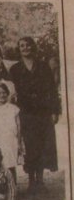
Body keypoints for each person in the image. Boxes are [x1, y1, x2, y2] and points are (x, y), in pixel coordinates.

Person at [10, 36, 60, 192]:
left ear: (33, 47)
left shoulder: (43, 66)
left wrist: (54, 111)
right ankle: (31, 181)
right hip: (25, 112)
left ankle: (40, 180)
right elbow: (11, 92)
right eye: (22, 46)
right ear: (19, 49)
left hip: (42, 112)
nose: (25, 48)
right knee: (30, 146)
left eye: (28, 45)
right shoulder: (15, 69)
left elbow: (52, 90)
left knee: (43, 144)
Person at [0, 82, 21, 183]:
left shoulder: (13, 108)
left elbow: (18, 126)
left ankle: (12, 190)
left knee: (10, 165)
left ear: (7, 93)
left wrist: (19, 142)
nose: (2, 95)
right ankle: (0, 188)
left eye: (4, 92)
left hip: (10, 140)